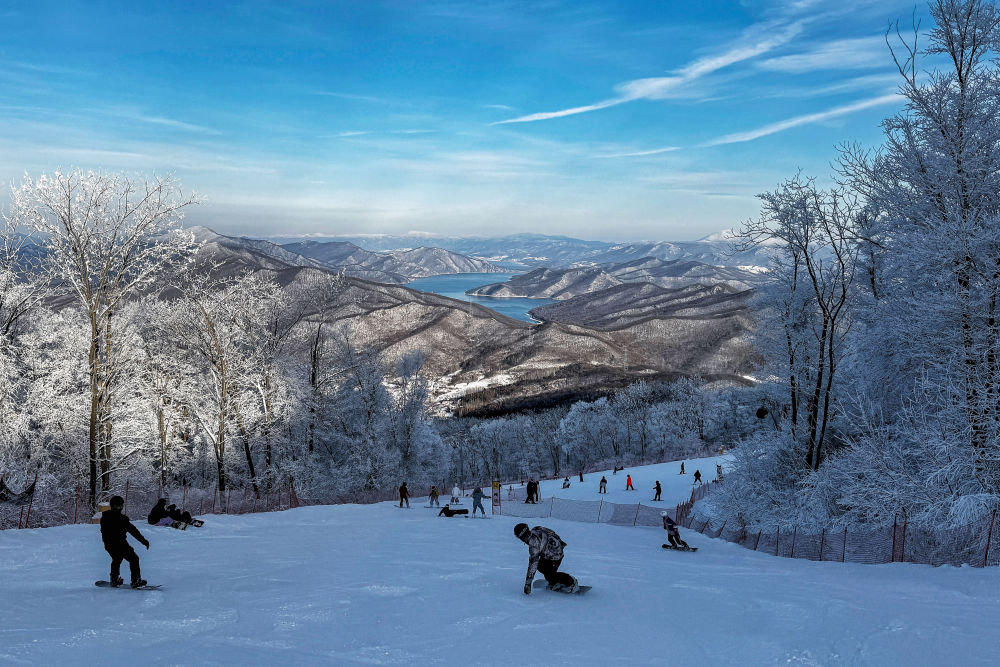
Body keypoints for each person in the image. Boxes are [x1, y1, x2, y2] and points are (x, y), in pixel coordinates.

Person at [100, 495, 149, 588]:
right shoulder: (122, 519)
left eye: (120, 506)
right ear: (115, 506)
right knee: (134, 559)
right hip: (120, 544)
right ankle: (135, 580)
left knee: (117, 558)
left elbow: (104, 532)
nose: (120, 508)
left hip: (109, 545)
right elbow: (133, 531)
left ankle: (114, 579)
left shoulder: (105, 517)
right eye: (119, 506)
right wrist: (143, 541)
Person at [513, 523, 578, 594]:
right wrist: (559, 543)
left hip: (556, 556)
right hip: (553, 552)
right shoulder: (536, 529)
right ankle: (553, 582)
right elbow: (551, 532)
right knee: (541, 566)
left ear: (522, 537)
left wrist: (527, 584)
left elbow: (533, 566)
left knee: (550, 574)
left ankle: (571, 582)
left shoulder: (534, 547)